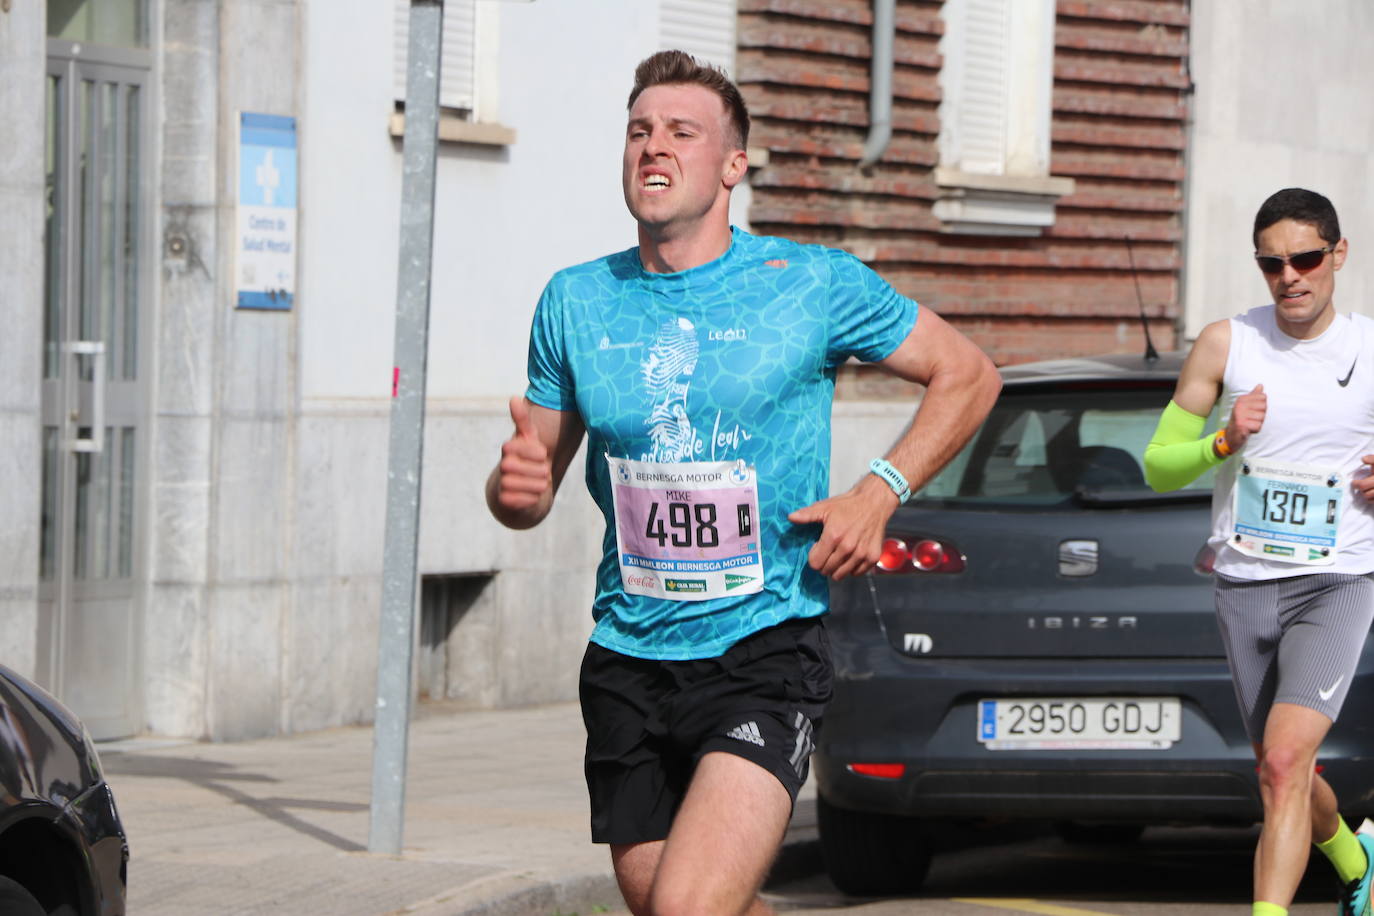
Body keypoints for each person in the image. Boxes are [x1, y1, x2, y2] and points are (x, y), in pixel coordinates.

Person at [485, 50, 1000, 916]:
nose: (654, 146)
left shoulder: (809, 284)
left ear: (733, 166)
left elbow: (970, 374)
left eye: (681, 132)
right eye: (639, 130)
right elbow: (527, 497)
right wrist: (514, 488)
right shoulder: (576, 300)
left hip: (764, 648)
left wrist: (879, 490)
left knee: (688, 907)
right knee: (670, 903)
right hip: (629, 656)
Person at [1143, 187, 1374, 916]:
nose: (1290, 277)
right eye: (1272, 264)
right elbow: (1157, 466)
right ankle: (1358, 861)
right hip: (1245, 585)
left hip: (1337, 580)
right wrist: (1222, 439)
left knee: (1283, 759)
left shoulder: (1370, 348)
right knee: (1281, 772)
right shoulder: (1227, 343)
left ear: (1338, 253)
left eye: (1305, 258)